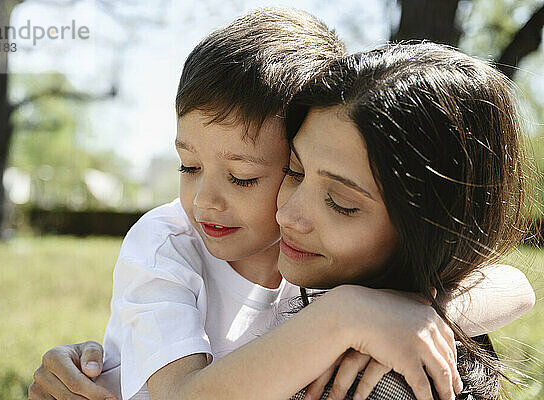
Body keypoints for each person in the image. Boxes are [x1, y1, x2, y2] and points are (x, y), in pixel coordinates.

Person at [27, 9, 535, 400]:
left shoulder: (313, 258)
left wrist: (410, 312)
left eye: (248, 177)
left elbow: (512, 284)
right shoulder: (172, 243)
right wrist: (352, 314)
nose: (204, 199)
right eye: (187, 166)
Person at [277, 41, 534, 399]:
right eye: (293, 171)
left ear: (431, 226)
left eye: (341, 203)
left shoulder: (354, 377)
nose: (286, 215)